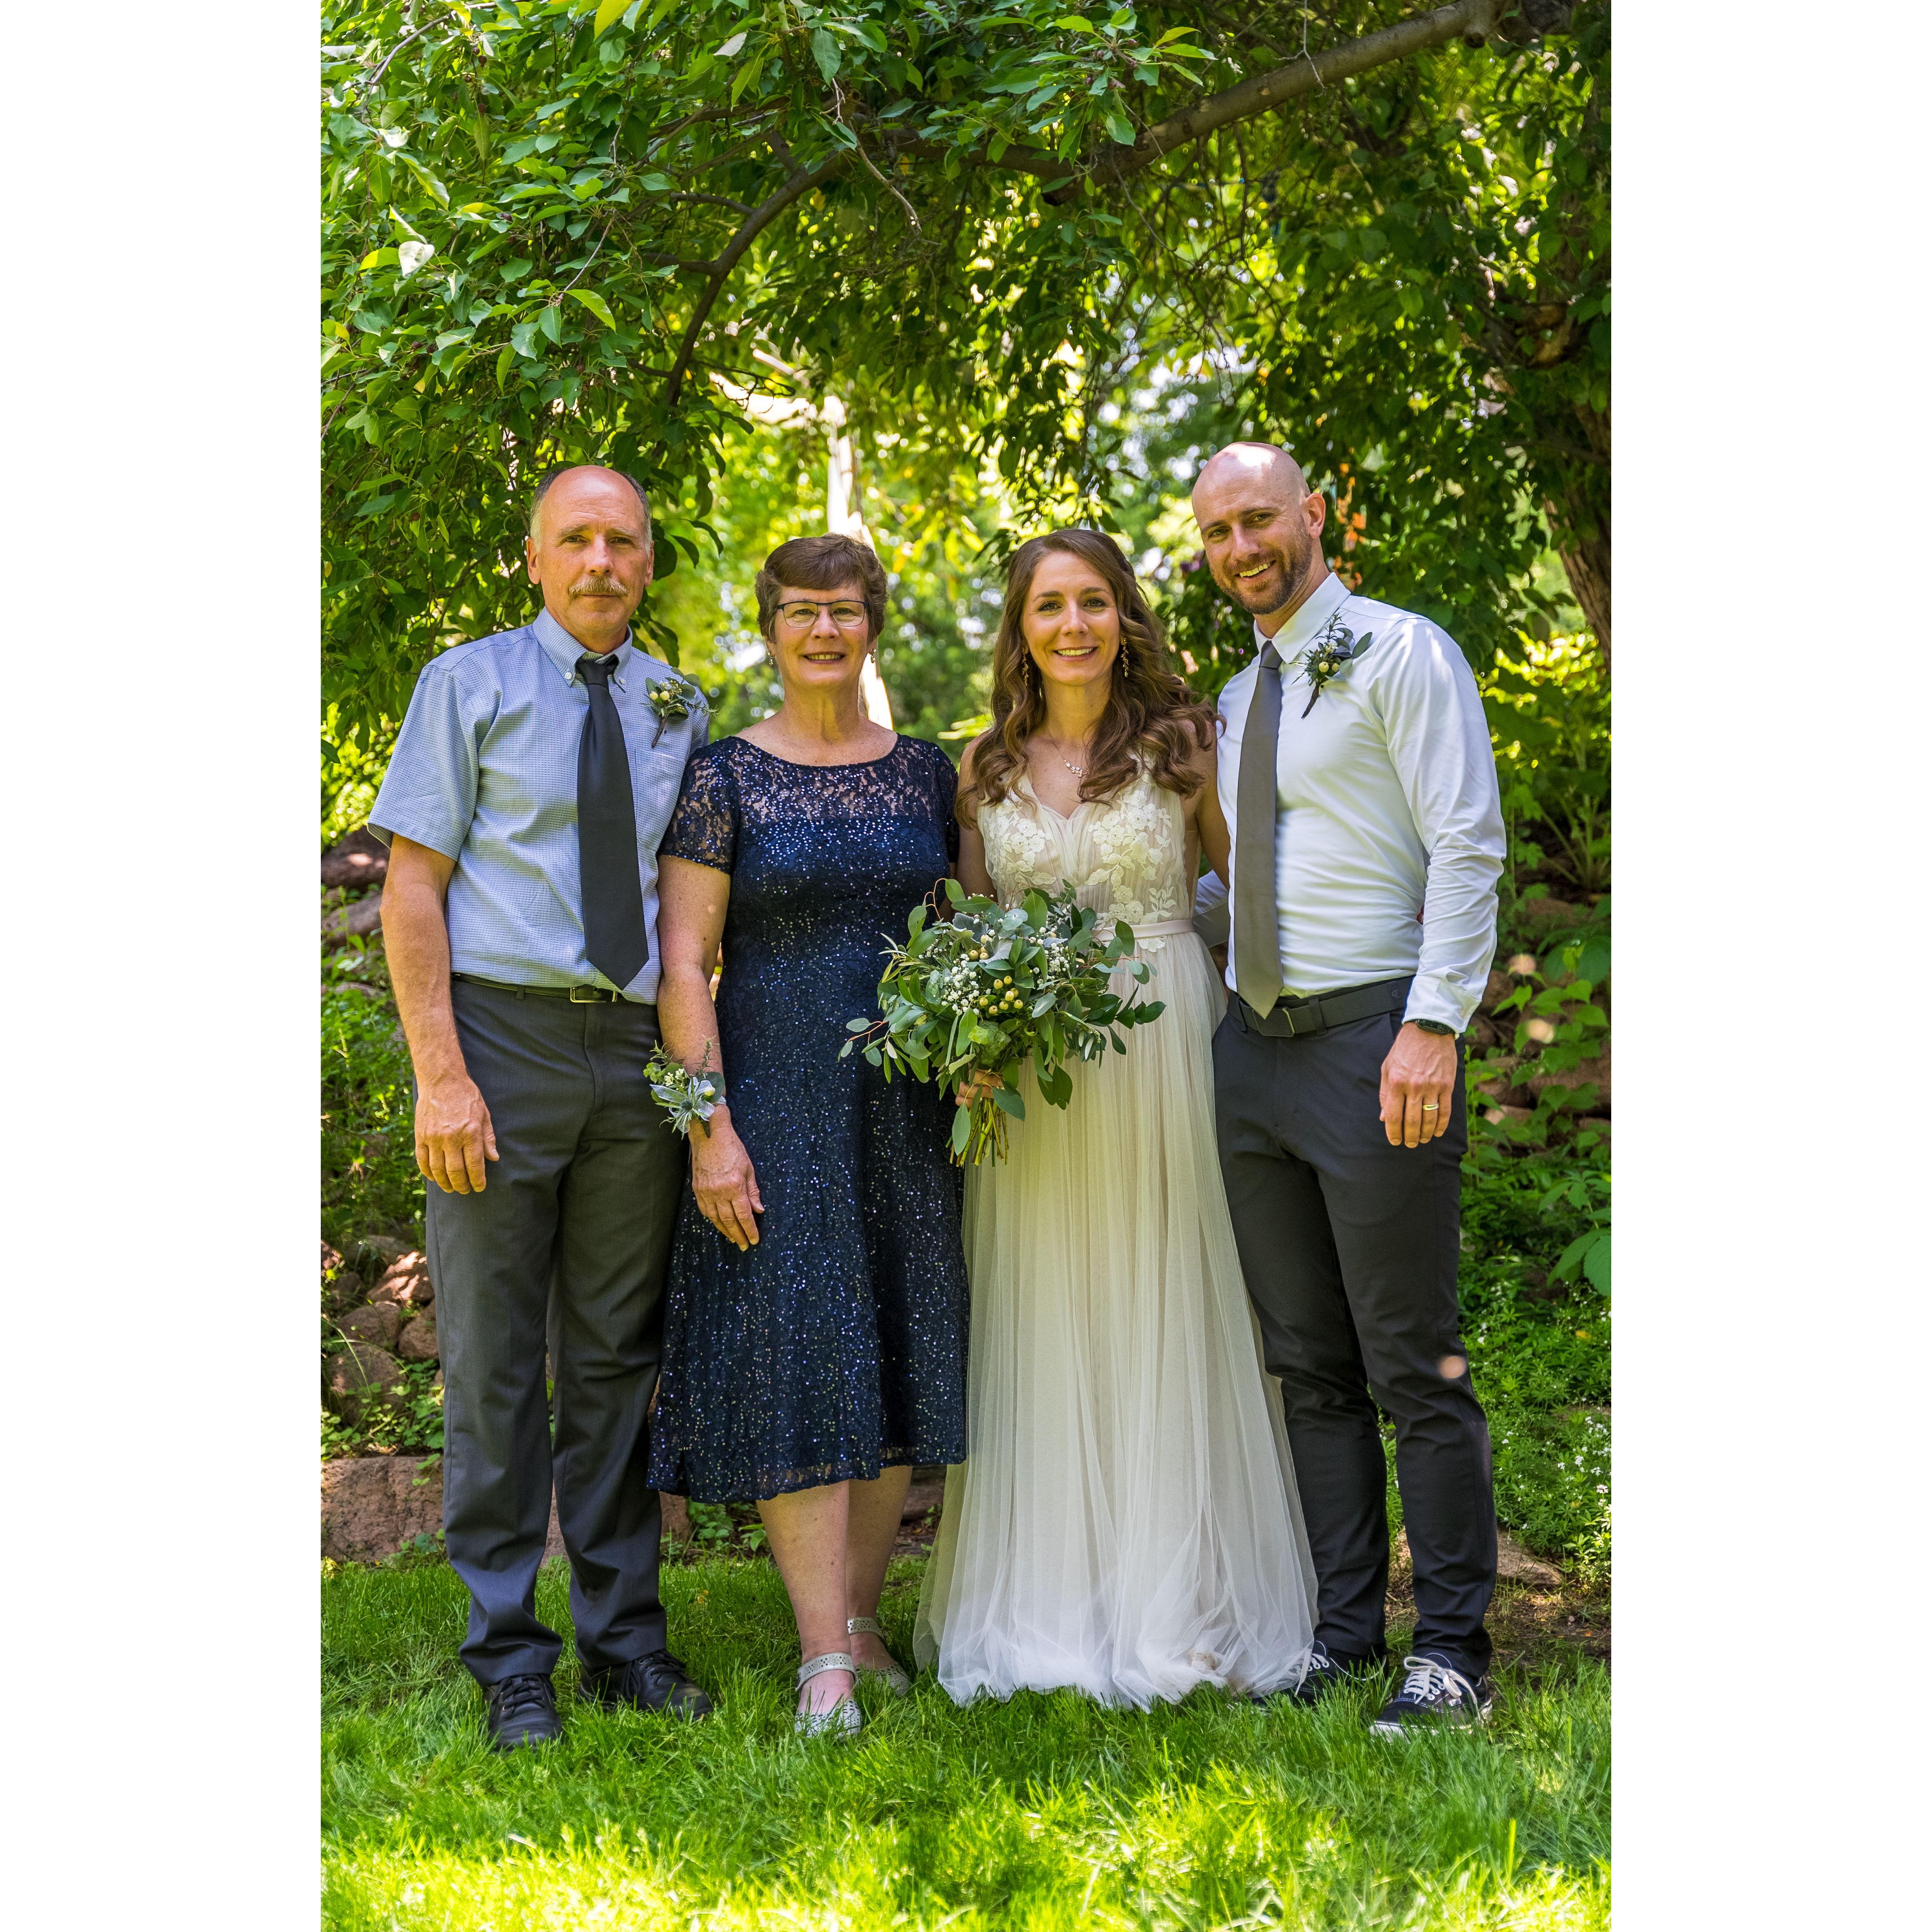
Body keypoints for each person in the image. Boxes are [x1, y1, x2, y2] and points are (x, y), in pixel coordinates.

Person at [914, 528, 1318, 1708]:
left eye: (1094, 601)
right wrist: (971, 1039)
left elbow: (1251, 900)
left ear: (1125, 615)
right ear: (1022, 628)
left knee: (1175, 1309)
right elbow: (972, 929)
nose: (1074, 624)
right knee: (1053, 1315)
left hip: (1168, 1048)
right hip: (1042, 1080)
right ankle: (1057, 1604)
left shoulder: (1187, 743)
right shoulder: (982, 768)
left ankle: (1181, 1606)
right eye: (1051, 607)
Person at [369, 463, 714, 1752]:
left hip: (631, 1052)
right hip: (500, 1041)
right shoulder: (467, 686)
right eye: (576, 538)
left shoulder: (681, 703)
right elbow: (413, 893)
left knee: (619, 1358)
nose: (601, 561)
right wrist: (441, 1074)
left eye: (623, 540)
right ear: (534, 556)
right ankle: (510, 1655)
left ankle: (627, 1642)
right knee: (499, 1364)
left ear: (645, 557)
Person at [1192, 442, 1506, 1734]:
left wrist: (1433, 1026)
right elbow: (1254, 869)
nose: (1242, 547)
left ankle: (1454, 1656)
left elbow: (1467, 841)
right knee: (1307, 1366)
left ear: (1313, 518)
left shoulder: (1402, 653)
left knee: (1410, 1361)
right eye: (1218, 533)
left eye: (1260, 519)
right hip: (1251, 1052)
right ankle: (1337, 1637)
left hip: (1375, 1043)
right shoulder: (1230, 695)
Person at [651, 532, 971, 1737]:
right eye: (801, 613)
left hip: (904, 1097)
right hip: (774, 1096)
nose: (824, 632)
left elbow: (965, 929)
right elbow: (683, 961)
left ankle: (863, 1622)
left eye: (844, 612)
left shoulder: (928, 773)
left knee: (889, 1343)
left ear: (872, 622)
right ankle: (819, 1655)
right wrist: (706, 1129)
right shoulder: (726, 776)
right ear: (771, 627)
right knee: (803, 1348)